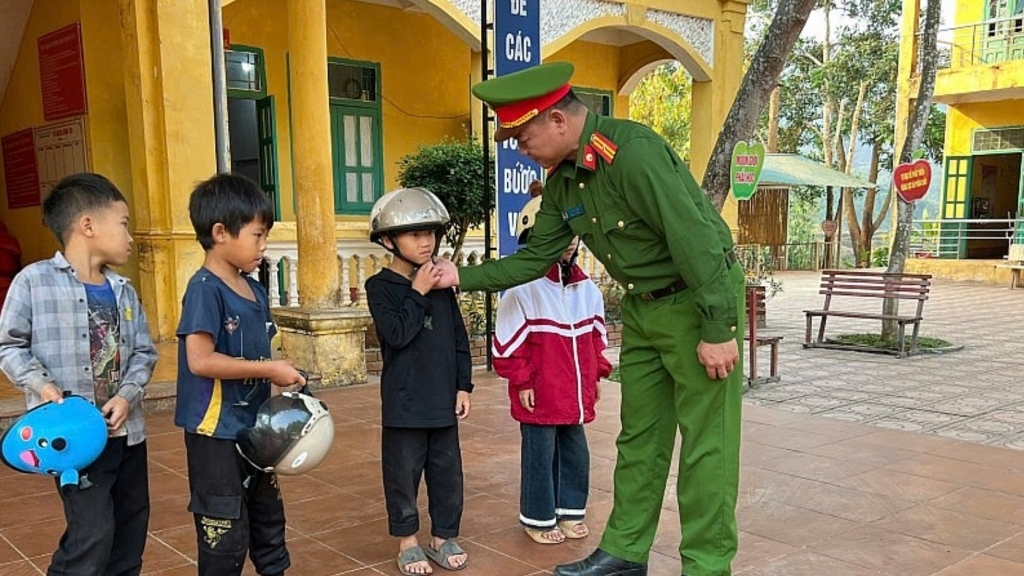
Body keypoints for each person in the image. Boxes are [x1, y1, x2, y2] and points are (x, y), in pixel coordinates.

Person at [435, 61, 746, 576]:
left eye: (522, 134)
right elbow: (536, 259)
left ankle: (708, 566)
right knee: (639, 436)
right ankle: (626, 551)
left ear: (558, 120)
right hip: (645, 309)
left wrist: (718, 328)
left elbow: (696, 238)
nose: (518, 147)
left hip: (697, 302)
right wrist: (458, 277)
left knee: (706, 447)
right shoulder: (563, 184)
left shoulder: (633, 154)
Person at [0, 172, 158, 576]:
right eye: (123, 223)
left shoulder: (124, 290)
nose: (130, 236)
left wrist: (127, 394)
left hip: (126, 435)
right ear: (88, 225)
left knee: (130, 530)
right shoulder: (32, 283)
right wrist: (40, 382)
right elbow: (9, 345)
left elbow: (143, 351)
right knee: (92, 534)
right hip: (72, 440)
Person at [175, 173, 306, 576]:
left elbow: (267, 351)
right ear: (220, 233)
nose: (264, 248)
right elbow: (200, 360)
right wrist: (269, 368)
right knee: (224, 532)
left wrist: (284, 387)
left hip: (254, 431)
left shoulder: (256, 290)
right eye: (257, 235)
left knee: (269, 520)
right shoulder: (204, 289)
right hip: (215, 433)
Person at [492, 181, 613, 545]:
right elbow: (508, 346)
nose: (568, 243)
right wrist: (523, 382)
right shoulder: (522, 288)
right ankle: (538, 517)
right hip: (540, 390)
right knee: (539, 455)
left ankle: (570, 511)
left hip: (574, 392)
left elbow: (595, 342)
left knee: (575, 450)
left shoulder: (587, 290)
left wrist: (595, 379)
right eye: (557, 234)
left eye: (572, 235)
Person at [365, 187, 473, 575]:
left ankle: (443, 536)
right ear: (389, 240)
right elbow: (396, 334)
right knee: (402, 476)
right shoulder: (379, 288)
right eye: (414, 234)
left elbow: (459, 338)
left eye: (430, 232)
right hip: (405, 404)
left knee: (447, 474)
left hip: (442, 399)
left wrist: (464, 385)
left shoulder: (442, 283)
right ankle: (407, 540)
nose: (425, 241)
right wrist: (418, 292)